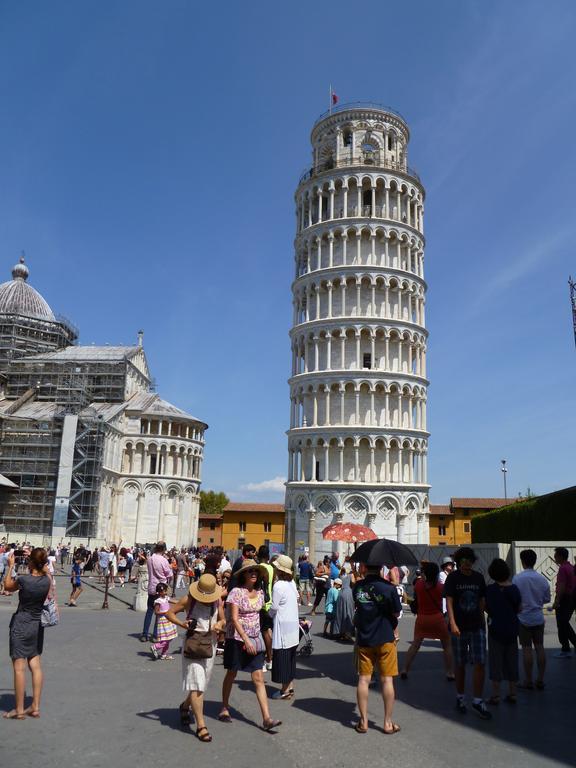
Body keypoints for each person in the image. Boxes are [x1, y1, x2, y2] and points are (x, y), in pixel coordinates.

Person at [219, 559, 281, 731]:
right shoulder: (236, 593)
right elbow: (234, 618)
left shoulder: (260, 592)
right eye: (250, 571)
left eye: (255, 571)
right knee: (231, 673)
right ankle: (224, 707)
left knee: (259, 678)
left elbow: (259, 616)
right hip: (236, 639)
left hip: (255, 639)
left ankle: (267, 718)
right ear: (244, 574)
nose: (253, 573)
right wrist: (245, 638)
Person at [165, 574, 225, 742]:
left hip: (209, 645)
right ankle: (201, 725)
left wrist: (219, 625)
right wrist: (182, 623)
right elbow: (169, 613)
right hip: (193, 644)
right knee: (197, 684)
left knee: (201, 684)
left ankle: (185, 706)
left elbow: (223, 619)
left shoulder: (217, 601)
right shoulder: (188, 600)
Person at [352, 562, 402, 735]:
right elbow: (396, 613)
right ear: (381, 568)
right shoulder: (389, 588)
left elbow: (358, 607)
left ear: (365, 567)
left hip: (364, 638)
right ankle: (387, 723)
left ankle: (363, 721)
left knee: (364, 680)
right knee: (387, 680)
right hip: (385, 637)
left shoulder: (358, 587)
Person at [3, 547, 51, 719]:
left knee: (19, 668)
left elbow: (7, 586)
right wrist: (44, 567)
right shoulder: (47, 581)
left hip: (21, 622)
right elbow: (48, 575)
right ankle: (35, 706)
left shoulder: (24, 580)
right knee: (35, 665)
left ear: (31, 561)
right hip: (37, 625)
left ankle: (19, 709)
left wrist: (10, 566)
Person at [444, 546, 491, 720]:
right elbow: (449, 601)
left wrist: (483, 620)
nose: (467, 565)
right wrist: (453, 623)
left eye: (469, 562)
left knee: (480, 662)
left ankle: (478, 700)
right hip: (459, 627)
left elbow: (481, 600)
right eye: (463, 562)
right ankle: (460, 697)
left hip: (477, 625)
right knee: (460, 663)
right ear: (458, 563)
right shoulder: (453, 578)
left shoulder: (478, 578)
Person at [400, 561, 454, 680]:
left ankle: (405, 669)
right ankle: (450, 672)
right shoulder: (441, 587)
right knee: (447, 645)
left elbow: (417, 592)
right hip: (438, 618)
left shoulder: (419, 584)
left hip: (422, 618)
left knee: (415, 645)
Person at [512, 548, 550, 688]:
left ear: (522, 562)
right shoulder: (542, 579)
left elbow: (514, 598)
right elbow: (546, 599)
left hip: (523, 618)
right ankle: (540, 679)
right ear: (534, 561)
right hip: (538, 617)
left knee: (526, 649)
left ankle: (528, 680)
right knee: (539, 647)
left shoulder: (517, 578)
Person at [485, 558, 521, 705]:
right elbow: (519, 608)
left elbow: (485, 607)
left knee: (496, 661)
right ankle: (513, 693)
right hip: (512, 629)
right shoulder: (514, 589)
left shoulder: (490, 590)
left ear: (492, 573)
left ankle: (495, 695)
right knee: (512, 661)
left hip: (495, 629)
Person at [269, 555, 299, 700]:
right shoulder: (292, 583)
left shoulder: (278, 585)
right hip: (293, 624)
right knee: (291, 657)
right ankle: (290, 687)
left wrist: (268, 614)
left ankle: (285, 690)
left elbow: (274, 607)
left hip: (283, 625)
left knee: (283, 658)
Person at [141, 543, 173, 642]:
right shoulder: (164, 560)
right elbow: (169, 575)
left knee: (149, 611)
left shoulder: (150, 559)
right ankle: (155, 635)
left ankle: (144, 634)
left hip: (151, 588)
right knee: (159, 613)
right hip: (161, 589)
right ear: (163, 549)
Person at [552, 547, 576, 658]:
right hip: (571, 598)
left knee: (561, 623)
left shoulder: (563, 569)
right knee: (564, 623)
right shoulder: (571, 567)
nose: (554, 557)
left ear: (561, 557)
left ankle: (566, 649)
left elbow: (561, 586)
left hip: (564, 598)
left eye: (556, 555)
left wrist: (557, 600)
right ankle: (566, 648)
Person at [150, 583, 179, 660]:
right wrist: (165, 612)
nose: (166, 592)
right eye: (164, 591)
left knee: (169, 638)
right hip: (163, 621)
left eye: (166, 591)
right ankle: (155, 647)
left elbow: (174, 601)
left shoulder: (166, 598)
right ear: (159, 592)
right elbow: (156, 612)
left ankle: (164, 654)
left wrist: (182, 603)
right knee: (165, 639)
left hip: (169, 620)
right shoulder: (158, 601)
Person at [257, 545, 274, 672]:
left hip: (262, 604)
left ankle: (268, 658)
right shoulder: (271, 567)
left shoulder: (260, 568)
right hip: (271, 601)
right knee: (269, 631)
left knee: (264, 632)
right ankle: (270, 659)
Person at [334, 568, 356, 641]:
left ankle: (341, 632)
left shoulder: (340, 574)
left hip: (341, 593)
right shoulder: (351, 575)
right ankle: (348, 633)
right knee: (348, 612)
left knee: (341, 612)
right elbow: (353, 583)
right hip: (348, 593)